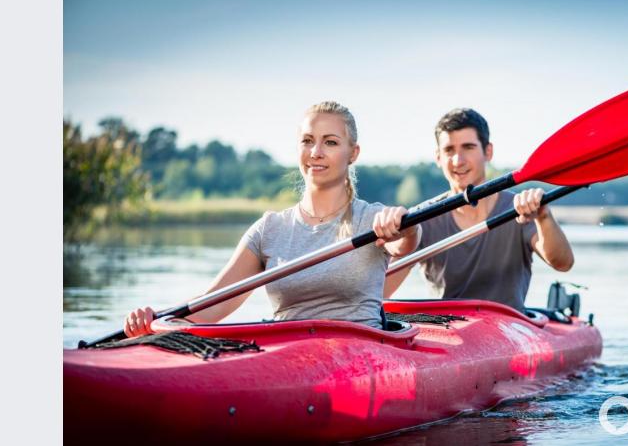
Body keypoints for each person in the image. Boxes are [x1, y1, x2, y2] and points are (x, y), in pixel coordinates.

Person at [123, 101, 421, 336]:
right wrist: (154, 321)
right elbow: (209, 305)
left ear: (352, 153)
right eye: (307, 141)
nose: (316, 152)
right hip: (288, 359)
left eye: (330, 142)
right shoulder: (269, 229)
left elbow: (407, 243)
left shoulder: (372, 219)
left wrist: (404, 227)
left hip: (361, 358)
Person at [384, 108, 573, 313]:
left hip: (510, 330)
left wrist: (543, 217)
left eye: (468, 147)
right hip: (448, 333)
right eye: (449, 150)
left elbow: (562, 263)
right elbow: (379, 292)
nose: (458, 160)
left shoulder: (518, 209)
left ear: (488, 152)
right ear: (438, 157)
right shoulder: (422, 218)